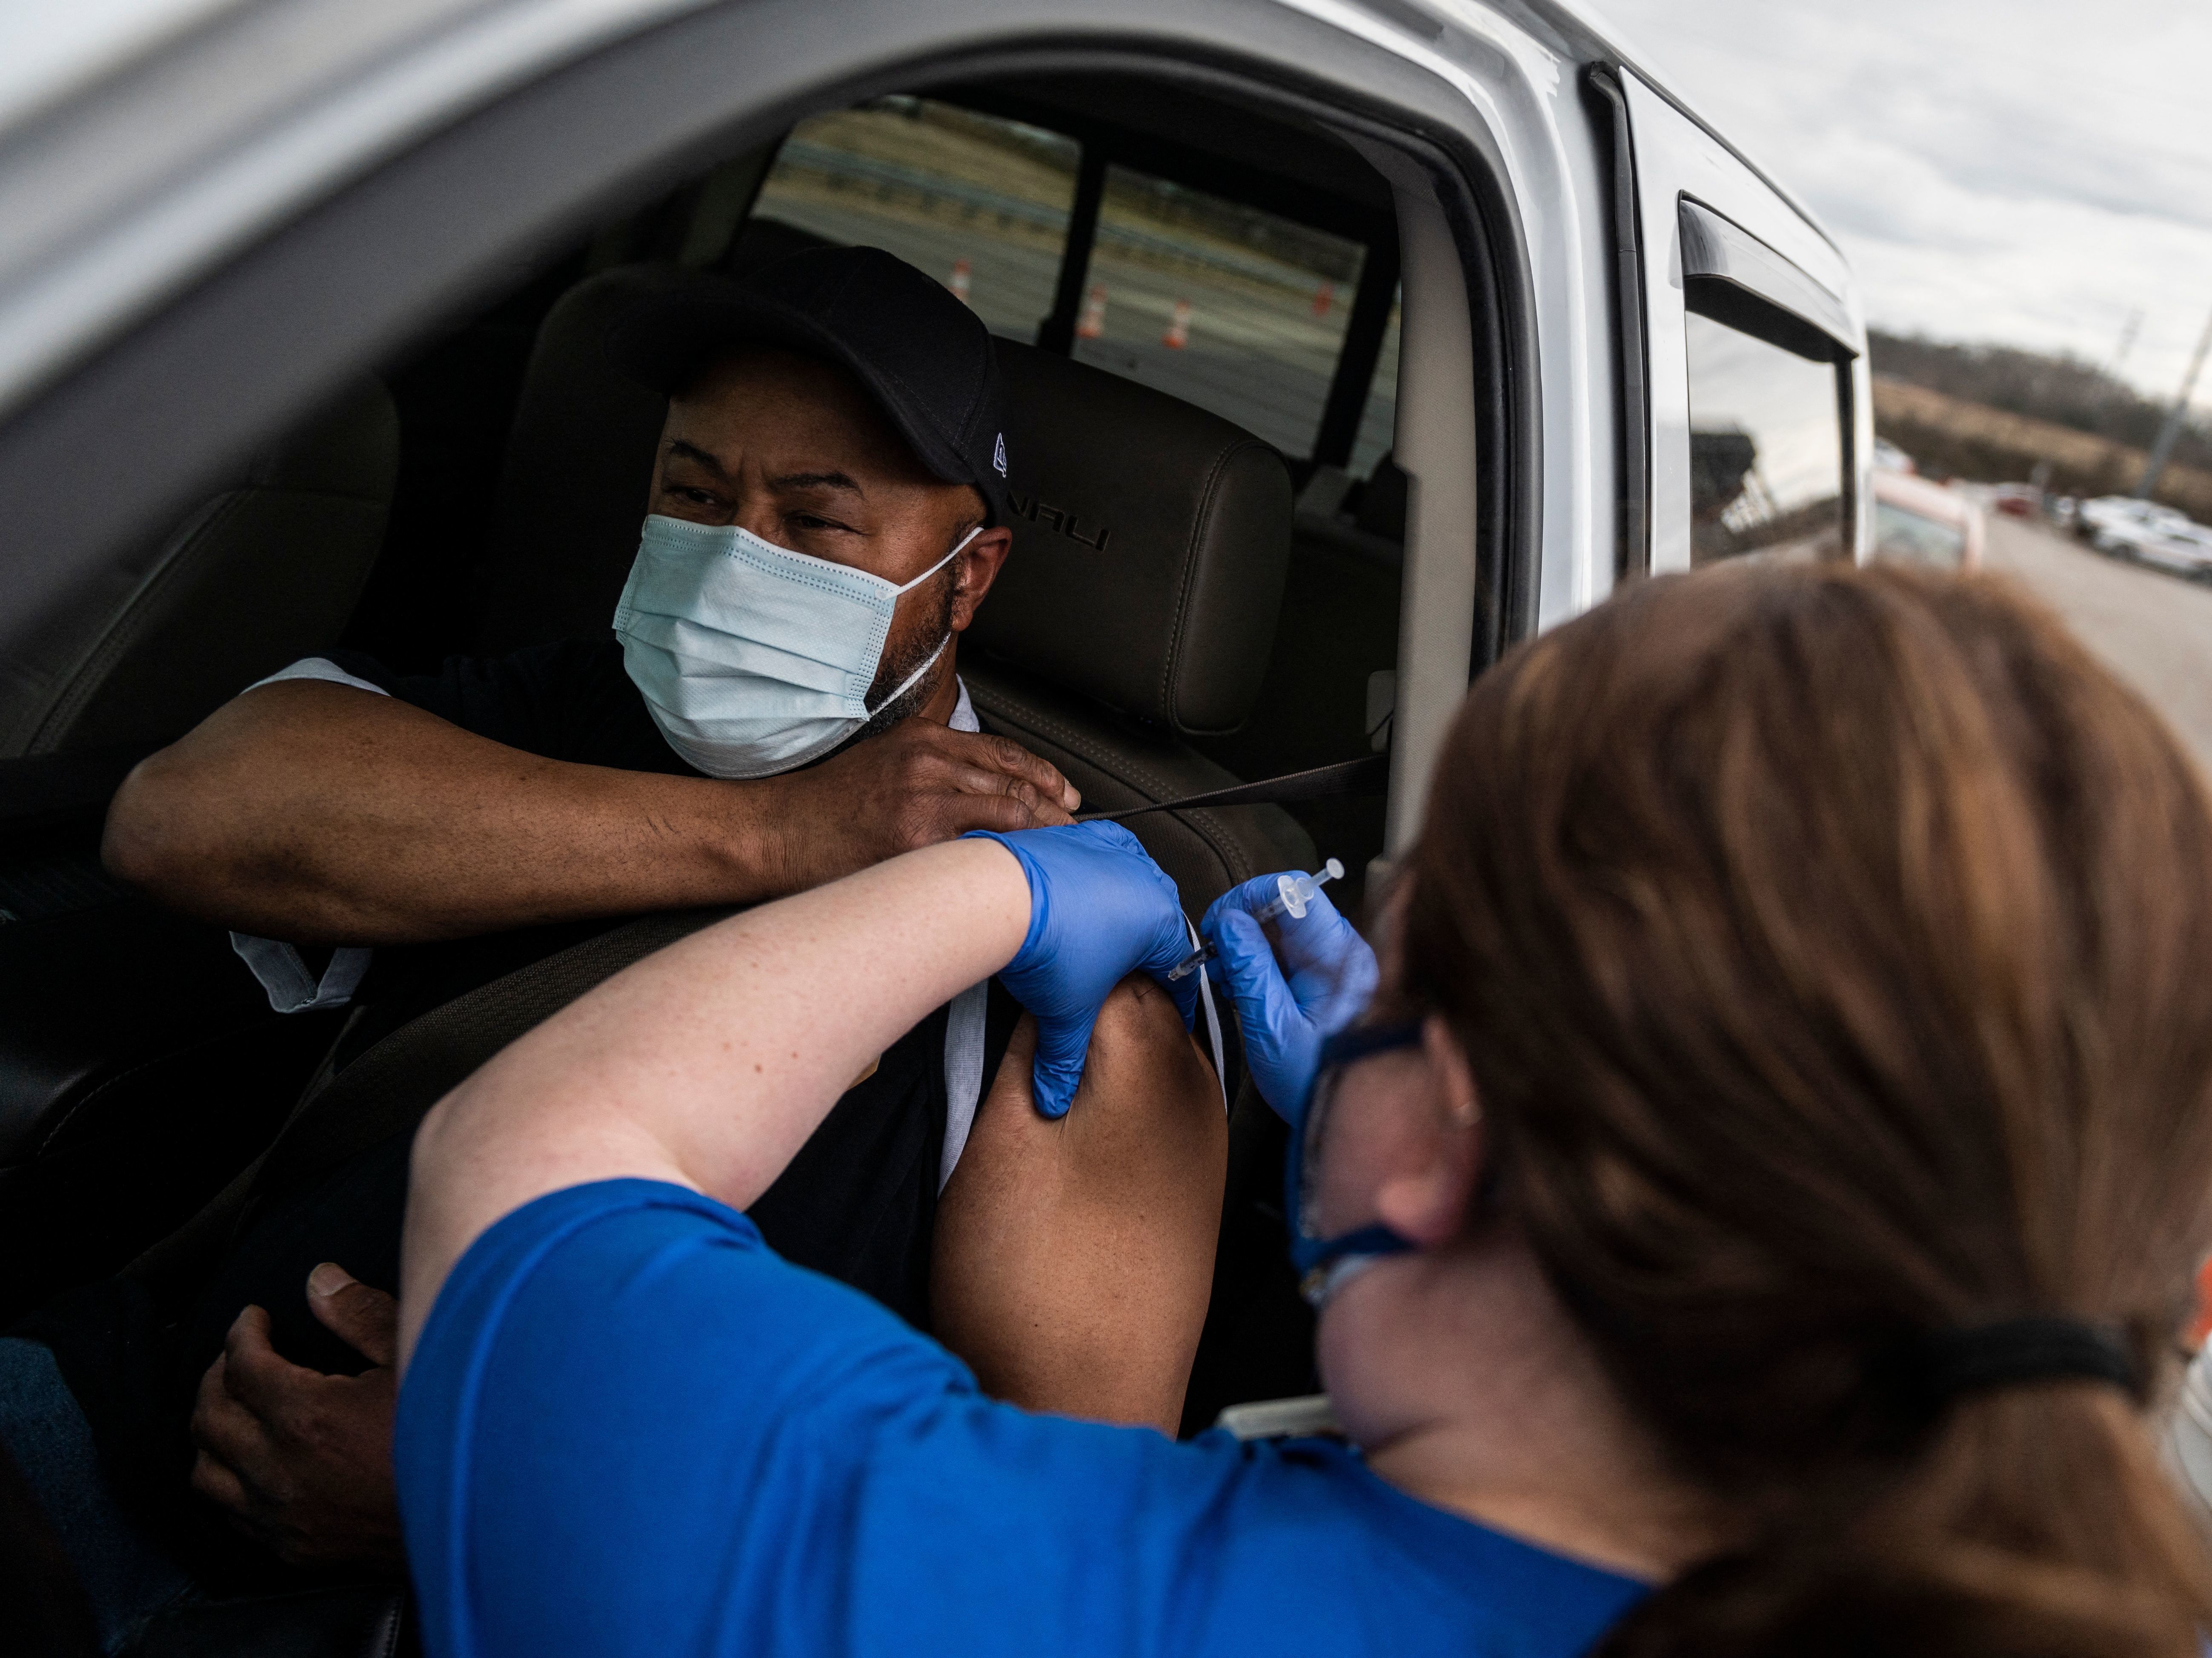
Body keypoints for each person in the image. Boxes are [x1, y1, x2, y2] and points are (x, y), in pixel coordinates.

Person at [395, 561, 2212, 1658]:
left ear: (1443, 1142)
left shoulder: (987, 1598)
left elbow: (535, 1163)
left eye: (1391, 963)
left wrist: (996, 892)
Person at [2, 246, 1226, 1648]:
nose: (728, 562)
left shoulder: (1070, 997)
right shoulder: (577, 701)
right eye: (695, 494)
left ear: (967, 578)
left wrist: (513, 1495)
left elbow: (1054, 1567)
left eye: (817, 526)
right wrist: (776, 837)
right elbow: (186, 814)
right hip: (118, 1435)